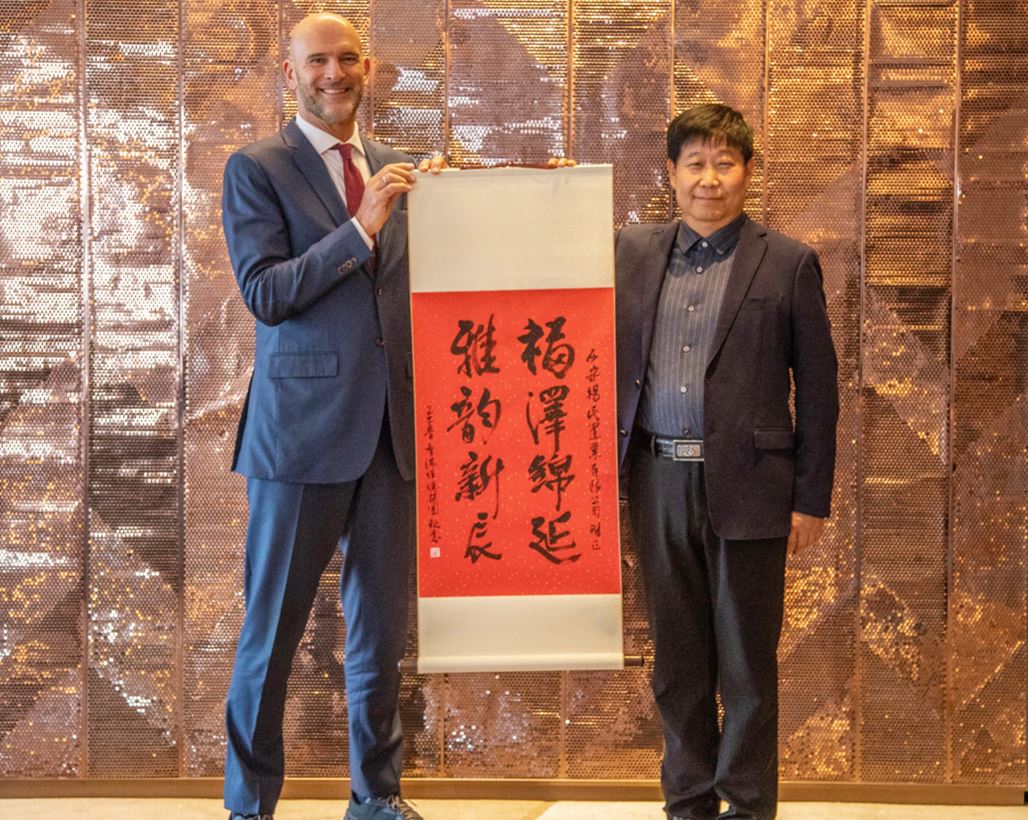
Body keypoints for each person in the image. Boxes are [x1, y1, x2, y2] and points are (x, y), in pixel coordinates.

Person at [220, 13, 443, 820]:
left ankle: (376, 798)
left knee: (381, 637)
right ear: (290, 72)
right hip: (300, 435)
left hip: (391, 435)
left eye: (348, 59)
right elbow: (267, 294)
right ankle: (249, 805)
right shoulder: (257, 167)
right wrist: (360, 228)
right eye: (318, 60)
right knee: (270, 636)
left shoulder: (397, 168)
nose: (334, 73)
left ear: (369, 68)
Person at [615, 104, 839, 820]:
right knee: (676, 661)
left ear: (747, 173)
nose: (709, 179)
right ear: (671, 173)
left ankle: (745, 806)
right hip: (656, 480)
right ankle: (686, 802)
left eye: (725, 163)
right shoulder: (631, 252)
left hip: (752, 486)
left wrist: (811, 498)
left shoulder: (788, 261)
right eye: (695, 164)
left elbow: (822, 390)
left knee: (745, 666)